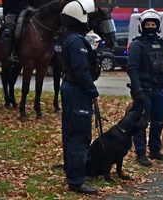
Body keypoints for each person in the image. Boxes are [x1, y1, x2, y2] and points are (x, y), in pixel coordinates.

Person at [127, 9, 163, 167]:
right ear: (142, 26)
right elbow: (132, 69)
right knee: (141, 122)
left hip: (159, 90)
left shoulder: (162, 44)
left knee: (158, 122)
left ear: (158, 26)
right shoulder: (137, 45)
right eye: (147, 24)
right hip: (144, 90)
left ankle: (155, 151)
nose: (150, 26)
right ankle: (140, 153)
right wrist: (137, 90)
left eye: (153, 24)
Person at [60, 0, 99, 194]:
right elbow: (81, 70)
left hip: (71, 89)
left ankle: (72, 172)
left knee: (71, 133)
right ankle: (76, 180)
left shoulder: (71, 38)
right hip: (77, 91)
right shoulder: (76, 41)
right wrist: (92, 90)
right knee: (79, 135)